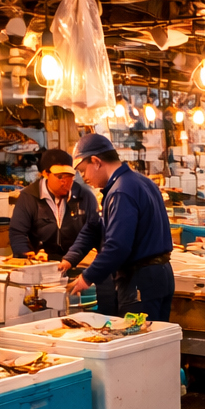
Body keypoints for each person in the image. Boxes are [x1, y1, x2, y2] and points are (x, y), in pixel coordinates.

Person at [62, 133, 175, 321]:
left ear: (96, 161)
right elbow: (96, 227)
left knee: (139, 345)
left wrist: (87, 277)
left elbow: (117, 247)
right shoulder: (141, 182)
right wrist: (71, 258)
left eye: (83, 170)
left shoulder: (120, 192)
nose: (84, 177)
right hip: (161, 276)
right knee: (157, 344)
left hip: (140, 281)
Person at [9, 150, 98, 262]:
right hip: (40, 264)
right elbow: (18, 232)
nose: (66, 182)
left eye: (70, 176)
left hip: (76, 263)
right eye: (60, 176)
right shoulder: (28, 197)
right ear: (45, 174)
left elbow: (96, 231)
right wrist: (26, 256)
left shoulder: (85, 196)